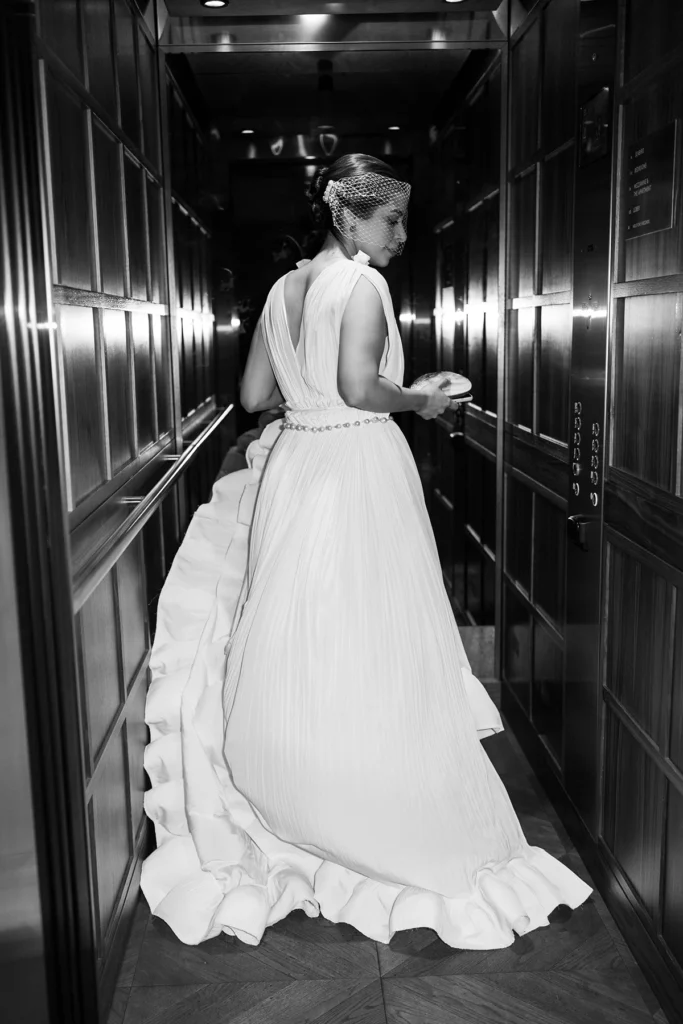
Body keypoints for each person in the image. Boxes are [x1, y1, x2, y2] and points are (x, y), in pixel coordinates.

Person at [140, 153, 592, 949]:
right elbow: (357, 386)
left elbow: (253, 399)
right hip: (355, 469)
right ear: (347, 218)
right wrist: (418, 398)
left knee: (305, 641)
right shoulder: (362, 284)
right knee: (380, 642)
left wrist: (310, 394)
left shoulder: (283, 291)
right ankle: (379, 814)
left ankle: (303, 803)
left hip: (297, 465)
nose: (401, 237)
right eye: (390, 221)